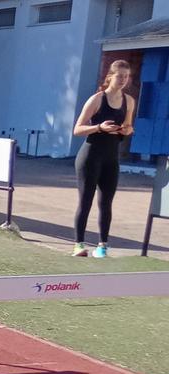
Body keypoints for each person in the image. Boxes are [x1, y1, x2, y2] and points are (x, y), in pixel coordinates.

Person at [71, 59, 135, 258]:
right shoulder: (97, 99)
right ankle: (78, 245)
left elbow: (128, 126)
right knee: (86, 201)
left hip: (110, 158)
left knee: (106, 202)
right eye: (119, 76)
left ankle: (102, 246)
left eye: (126, 76)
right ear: (110, 77)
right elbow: (77, 129)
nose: (123, 80)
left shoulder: (129, 101)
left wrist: (127, 129)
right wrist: (99, 127)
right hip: (90, 156)